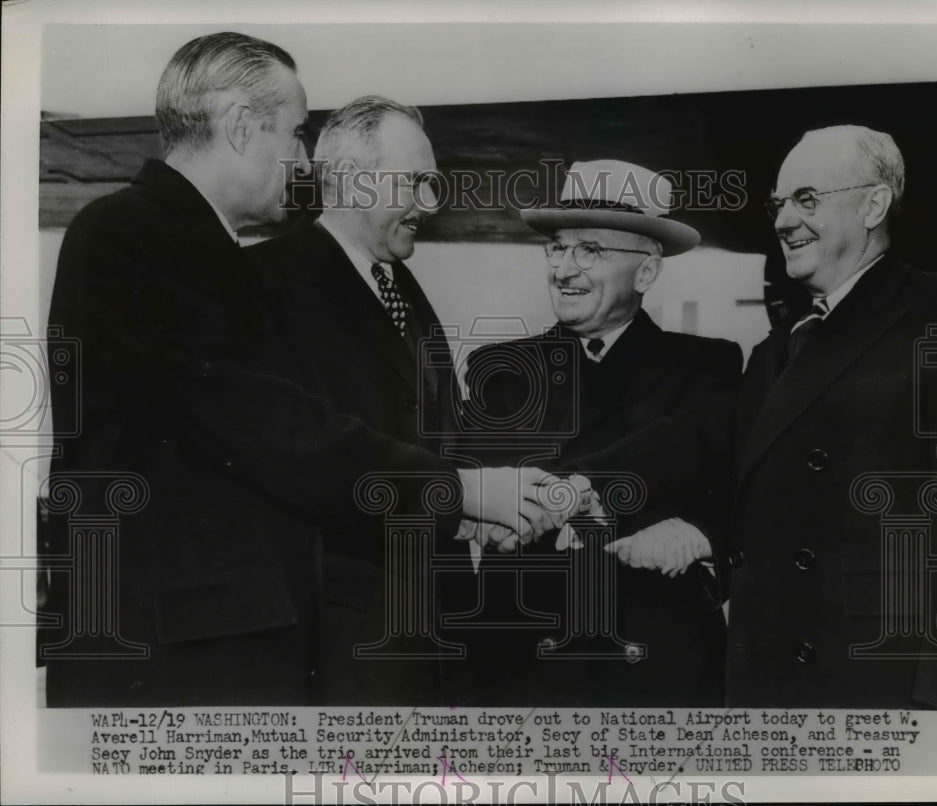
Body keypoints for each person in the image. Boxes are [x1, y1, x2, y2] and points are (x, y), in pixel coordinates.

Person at [43, 36, 556, 706]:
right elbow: (270, 425)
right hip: (177, 641)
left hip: (217, 629)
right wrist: (457, 492)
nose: (302, 157)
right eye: (294, 132)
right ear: (238, 127)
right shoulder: (130, 233)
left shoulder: (200, 249)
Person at [458, 160, 744, 706]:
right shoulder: (501, 370)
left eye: (590, 250)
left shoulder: (707, 366)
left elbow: (725, 486)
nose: (563, 269)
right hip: (517, 670)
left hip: (654, 670)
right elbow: (480, 477)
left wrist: (702, 535)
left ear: (645, 273)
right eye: (558, 247)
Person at [727, 125, 937, 708]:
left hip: (875, 678)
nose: (783, 221)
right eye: (778, 203)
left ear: (874, 204)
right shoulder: (774, 349)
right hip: (765, 675)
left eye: (807, 199)